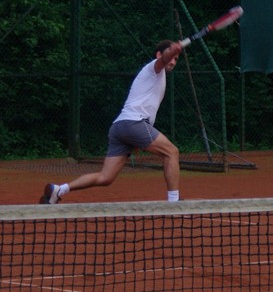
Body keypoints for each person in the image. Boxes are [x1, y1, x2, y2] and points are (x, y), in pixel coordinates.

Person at [40, 39, 184, 204]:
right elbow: (164, 59)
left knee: (105, 177)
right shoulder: (154, 68)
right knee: (172, 152)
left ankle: (59, 190)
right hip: (134, 123)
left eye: (176, 59)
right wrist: (173, 50)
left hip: (120, 127)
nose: (173, 61)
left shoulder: (158, 75)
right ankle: (174, 201)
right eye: (171, 57)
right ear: (159, 54)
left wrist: (134, 141)